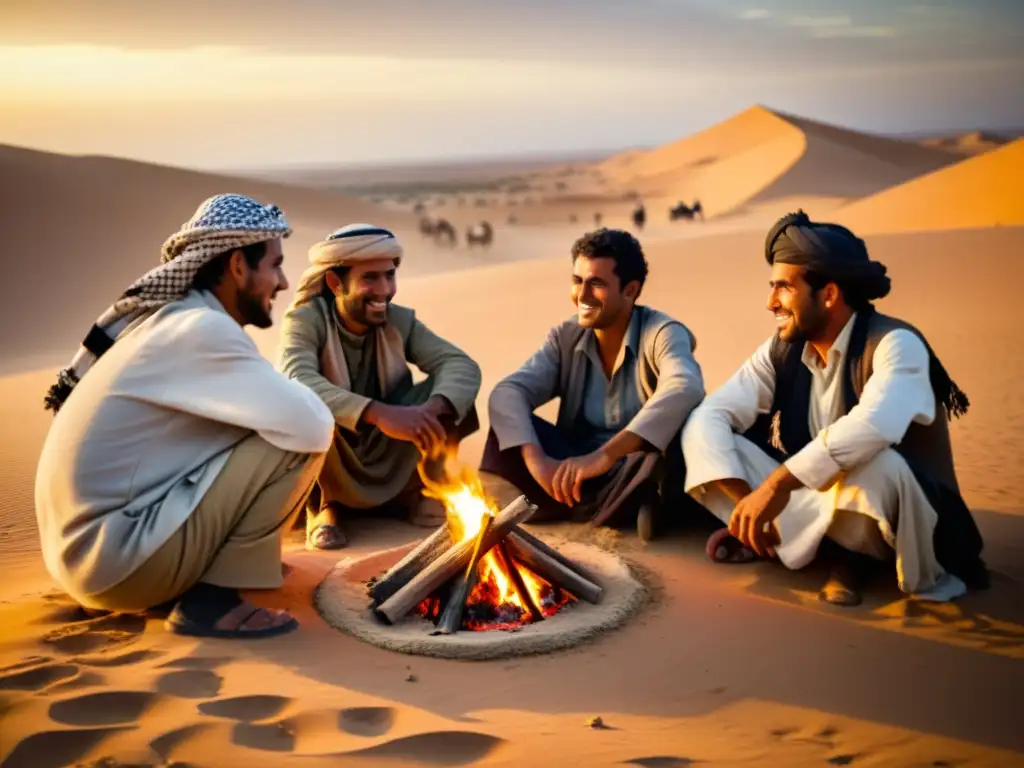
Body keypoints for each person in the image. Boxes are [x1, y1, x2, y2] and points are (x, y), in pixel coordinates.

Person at [35, 194, 334, 639]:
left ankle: (223, 567)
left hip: (89, 558)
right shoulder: (201, 329)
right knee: (292, 443)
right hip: (117, 563)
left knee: (264, 428)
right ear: (237, 266)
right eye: (274, 265)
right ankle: (214, 599)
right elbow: (313, 424)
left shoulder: (171, 321)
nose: (284, 282)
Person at [681, 210, 988, 606]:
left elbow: (875, 425)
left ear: (828, 294)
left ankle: (838, 555)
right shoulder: (782, 350)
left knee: (880, 465)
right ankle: (773, 537)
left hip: (899, 513)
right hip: (815, 500)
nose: (770, 302)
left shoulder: (896, 344)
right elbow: (712, 415)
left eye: (783, 288)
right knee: (712, 435)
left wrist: (776, 486)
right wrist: (747, 505)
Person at [482, 228, 705, 541]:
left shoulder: (662, 332)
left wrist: (604, 457)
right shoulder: (565, 336)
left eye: (596, 284)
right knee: (507, 434)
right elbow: (509, 392)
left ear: (630, 290)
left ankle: (623, 504)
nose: (582, 296)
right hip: (573, 471)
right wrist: (539, 463)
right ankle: (612, 508)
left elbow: (685, 386)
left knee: (658, 459)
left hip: (630, 465)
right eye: (577, 281)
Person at [277, 223, 482, 549]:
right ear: (334, 283)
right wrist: (378, 413)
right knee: (303, 410)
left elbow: (460, 365)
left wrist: (430, 410)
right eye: (370, 278)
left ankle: (410, 492)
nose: (385, 289)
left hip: (390, 443)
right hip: (337, 448)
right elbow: (296, 379)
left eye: (389, 275)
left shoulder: (399, 320)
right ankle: (327, 506)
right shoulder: (305, 320)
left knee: (454, 398)